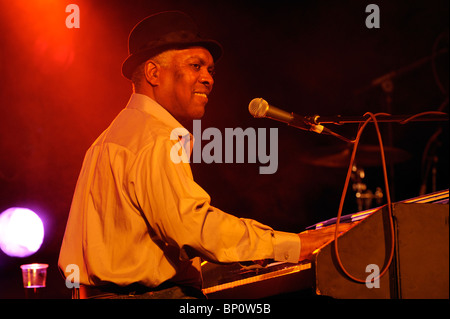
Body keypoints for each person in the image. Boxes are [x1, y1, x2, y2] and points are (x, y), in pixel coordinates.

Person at [58, 10, 343, 299]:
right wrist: (295, 244)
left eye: (210, 71)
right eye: (196, 66)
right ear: (154, 73)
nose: (208, 79)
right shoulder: (153, 138)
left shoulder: (110, 139)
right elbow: (193, 228)